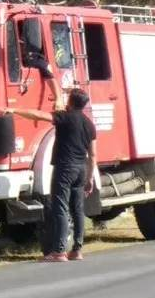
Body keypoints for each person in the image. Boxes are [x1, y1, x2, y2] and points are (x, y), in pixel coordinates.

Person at [5, 89, 97, 262]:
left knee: (60, 207)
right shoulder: (89, 124)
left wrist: (15, 110)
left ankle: (59, 251)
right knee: (77, 210)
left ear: (70, 102)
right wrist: (90, 177)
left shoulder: (65, 117)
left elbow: (38, 115)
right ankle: (77, 250)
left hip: (65, 167)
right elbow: (92, 155)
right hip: (81, 169)